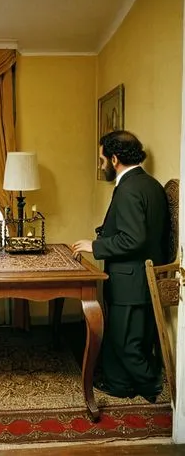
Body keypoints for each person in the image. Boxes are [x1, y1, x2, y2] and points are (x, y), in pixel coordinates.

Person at [72, 130, 170, 403]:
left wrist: (96, 246)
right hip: (140, 276)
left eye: (103, 159)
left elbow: (134, 238)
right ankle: (120, 385)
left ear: (115, 159)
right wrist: (105, 230)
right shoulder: (150, 184)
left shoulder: (128, 189)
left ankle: (154, 388)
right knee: (125, 337)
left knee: (128, 343)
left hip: (131, 278)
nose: (102, 164)